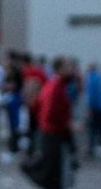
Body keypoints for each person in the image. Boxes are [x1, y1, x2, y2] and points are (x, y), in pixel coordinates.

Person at [22, 57, 79, 189]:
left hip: (54, 130)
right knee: (50, 167)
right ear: (59, 69)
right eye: (68, 67)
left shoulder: (57, 85)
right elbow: (50, 111)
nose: (72, 70)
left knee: (52, 165)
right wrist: (67, 124)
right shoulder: (55, 86)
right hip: (53, 131)